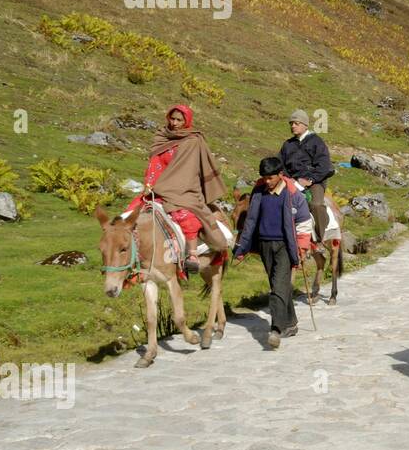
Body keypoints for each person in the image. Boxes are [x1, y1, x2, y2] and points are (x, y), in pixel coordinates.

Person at [127, 104, 229, 272]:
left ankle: (192, 255)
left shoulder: (193, 141)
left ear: (186, 121)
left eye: (179, 120)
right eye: (172, 119)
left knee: (186, 216)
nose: (174, 123)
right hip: (158, 187)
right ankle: (129, 256)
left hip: (184, 188)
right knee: (132, 213)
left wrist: (167, 187)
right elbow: (156, 163)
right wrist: (149, 184)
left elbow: (187, 171)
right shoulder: (162, 136)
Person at [234, 156, 311, 350]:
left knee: (277, 287)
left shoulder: (293, 195)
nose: (267, 181)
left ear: (280, 175)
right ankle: (291, 323)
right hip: (265, 244)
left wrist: (302, 247)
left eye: (270, 178)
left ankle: (276, 329)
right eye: (264, 178)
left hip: (286, 245)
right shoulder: (259, 191)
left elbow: (303, 222)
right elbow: (251, 220)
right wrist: (243, 246)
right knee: (279, 285)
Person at [280, 110, 334, 244]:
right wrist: (289, 179)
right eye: (291, 123)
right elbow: (281, 165)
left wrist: (309, 180)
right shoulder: (288, 145)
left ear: (305, 125)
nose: (293, 126)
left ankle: (320, 239)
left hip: (314, 181)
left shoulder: (317, 142)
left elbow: (324, 166)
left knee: (315, 205)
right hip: (291, 181)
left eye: (296, 123)